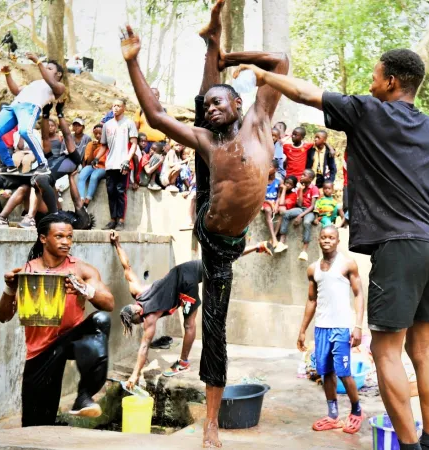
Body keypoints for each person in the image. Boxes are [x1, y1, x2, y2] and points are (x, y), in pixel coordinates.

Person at [241, 47, 429, 450]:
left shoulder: (369, 111)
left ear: (392, 82)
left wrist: (265, 78)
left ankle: (412, 447)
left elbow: (304, 93)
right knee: (425, 352)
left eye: (375, 75)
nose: (370, 82)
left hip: (400, 249)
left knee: (386, 352)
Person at [121, 1, 290, 445]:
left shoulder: (259, 119)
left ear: (239, 102)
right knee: (215, 328)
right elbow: (156, 117)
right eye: (208, 104)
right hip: (211, 234)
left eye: (219, 102)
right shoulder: (206, 137)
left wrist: (228, 58)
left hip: (230, 239)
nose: (212, 108)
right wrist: (134, 60)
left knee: (215, 329)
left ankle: (211, 43)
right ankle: (211, 426)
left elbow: (280, 63)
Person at [0, 213, 114, 426]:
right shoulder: (28, 271)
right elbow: (4, 316)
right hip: (40, 352)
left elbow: (109, 304)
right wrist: (10, 289)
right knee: (35, 423)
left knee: (101, 320)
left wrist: (84, 289)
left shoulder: (80, 269)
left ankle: (84, 397)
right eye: (59, 236)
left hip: (71, 340)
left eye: (69, 236)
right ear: (43, 238)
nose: (66, 242)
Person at [115, 232, 271, 386]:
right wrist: (117, 244)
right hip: (184, 269)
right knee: (218, 260)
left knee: (189, 325)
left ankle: (183, 363)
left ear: (137, 313)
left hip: (186, 288)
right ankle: (258, 247)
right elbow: (127, 267)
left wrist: (134, 375)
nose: (141, 321)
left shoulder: (149, 318)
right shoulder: (137, 291)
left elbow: (144, 347)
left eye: (138, 320)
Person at [296, 226, 365, 434]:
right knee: (325, 372)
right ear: (318, 240)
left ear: (337, 240)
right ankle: (333, 415)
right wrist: (302, 330)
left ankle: (356, 411)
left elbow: (359, 294)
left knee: (344, 373)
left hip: (341, 327)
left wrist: (358, 326)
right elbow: (311, 300)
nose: (327, 241)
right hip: (321, 328)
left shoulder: (347, 264)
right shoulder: (313, 269)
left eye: (331, 237)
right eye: (324, 237)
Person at [0, 54, 66, 175]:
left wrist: (38, 62)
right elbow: (16, 91)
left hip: (29, 107)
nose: (45, 70)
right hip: (14, 106)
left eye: (49, 68)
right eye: (45, 68)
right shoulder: (36, 83)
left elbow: (51, 82)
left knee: (25, 131)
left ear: (58, 74)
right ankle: (9, 165)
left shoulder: (59, 86)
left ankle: (43, 164)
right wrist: (7, 74)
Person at [100, 99, 138, 231]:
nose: (115, 108)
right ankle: (112, 219)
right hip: (110, 164)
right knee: (111, 192)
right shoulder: (107, 125)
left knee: (121, 192)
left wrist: (128, 159)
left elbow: (134, 143)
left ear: (124, 108)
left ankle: (121, 220)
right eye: (114, 105)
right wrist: (97, 158)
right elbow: (103, 146)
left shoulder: (129, 123)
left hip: (123, 164)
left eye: (118, 106)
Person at [276, 169, 320, 260]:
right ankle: (282, 242)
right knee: (286, 214)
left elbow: (312, 206)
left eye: (304, 175)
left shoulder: (314, 189)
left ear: (310, 178)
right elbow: (300, 204)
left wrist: (300, 216)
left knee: (307, 222)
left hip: (310, 211)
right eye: (302, 174)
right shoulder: (301, 188)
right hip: (301, 209)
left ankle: (304, 251)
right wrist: (300, 190)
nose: (302, 176)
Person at [77, 124, 106, 208]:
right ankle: (81, 199)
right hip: (93, 166)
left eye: (100, 133)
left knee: (94, 176)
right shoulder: (91, 144)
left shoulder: (108, 144)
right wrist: (93, 149)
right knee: (82, 174)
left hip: (103, 168)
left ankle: (87, 201)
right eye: (96, 134)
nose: (98, 136)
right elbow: (89, 162)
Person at [262, 159, 282, 246]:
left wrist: (276, 205)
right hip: (264, 202)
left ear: (276, 169)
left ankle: (274, 236)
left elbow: (279, 196)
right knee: (268, 210)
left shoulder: (279, 181)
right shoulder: (262, 180)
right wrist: (269, 202)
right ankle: (274, 238)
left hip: (274, 202)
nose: (266, 169)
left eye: (269, 167)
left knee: (283, 211)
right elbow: (259, 197)